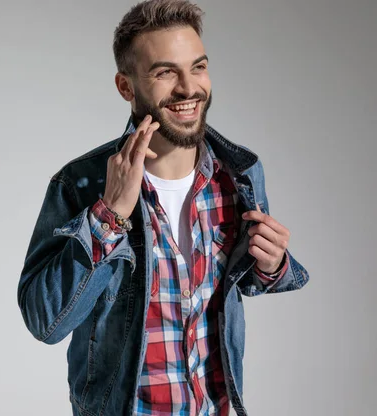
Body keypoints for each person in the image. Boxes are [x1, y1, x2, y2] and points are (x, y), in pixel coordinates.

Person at [17, 0, 309, 415]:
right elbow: (45, 322)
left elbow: (238, 283)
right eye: (165, 72)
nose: (189, 88)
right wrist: (109, 216)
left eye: (198, 67)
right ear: (126, 87)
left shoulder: (238, 175)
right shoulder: (80, 184)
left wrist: (272, 264)